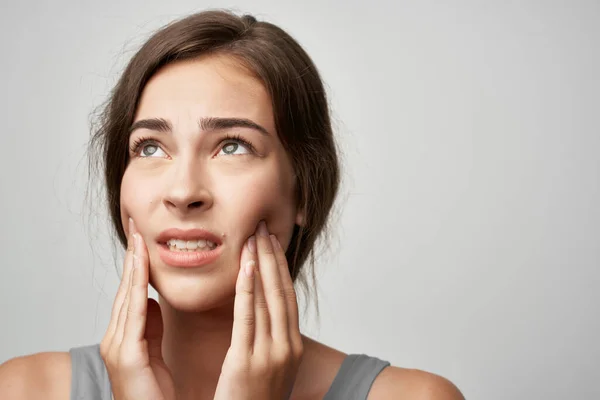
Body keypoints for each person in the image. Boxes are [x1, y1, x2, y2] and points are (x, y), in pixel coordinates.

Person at [0, 9, 464, 400]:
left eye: (232, 146)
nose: (183, 193)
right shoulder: (23, 390)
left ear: (303, 189)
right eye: (149, 148)